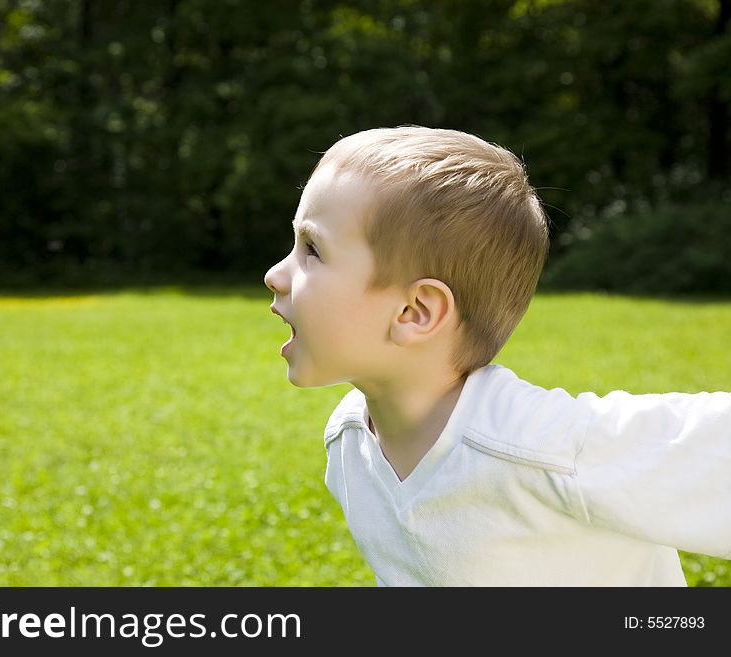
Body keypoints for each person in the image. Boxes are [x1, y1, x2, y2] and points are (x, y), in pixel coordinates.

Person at [263, 125, 731, 586]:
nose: (275, 275)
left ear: (415, 311)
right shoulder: (348, 442)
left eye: (312, 250)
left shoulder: (543, 446)